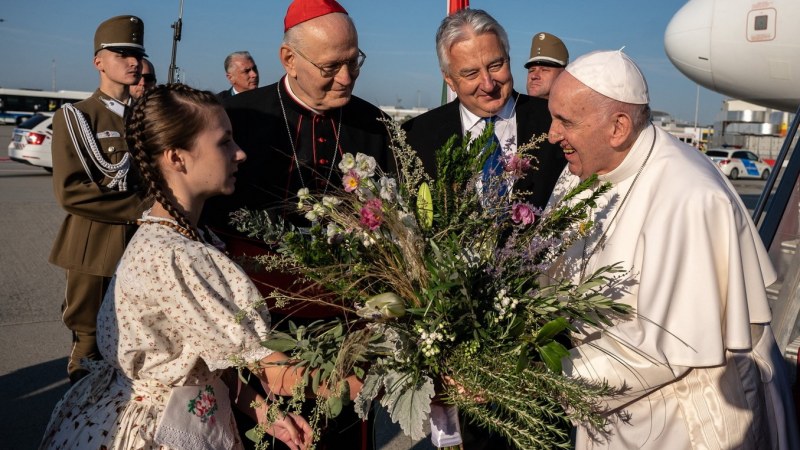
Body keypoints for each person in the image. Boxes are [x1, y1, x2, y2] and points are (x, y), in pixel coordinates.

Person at [39, 83, 369, 450]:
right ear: (177, 158)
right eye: (224, 142)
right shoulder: (179, 257)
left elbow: (209, 358)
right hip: (158, 431)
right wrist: (391, 381)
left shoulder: (180, 235)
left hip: (175, 415)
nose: (240, 153)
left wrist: (264, 413)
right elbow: (281, 376)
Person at [546, 49, 799, 449]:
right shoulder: (583, 168)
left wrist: (534, 374)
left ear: (618, 127)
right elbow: (549, 264)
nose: (552, 134)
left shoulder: (689, 198)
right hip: (611, 406)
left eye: (565, 121)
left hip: (687, 420)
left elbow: (665, 347)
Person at [204, 0, 392, 233]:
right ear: (289, 60)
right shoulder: (235, 117)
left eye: (353, 62)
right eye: (330, 66)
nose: (346, 78)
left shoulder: (379, 127)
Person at [49, 15, 147, 385]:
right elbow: (71, 191)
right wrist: (143, 208)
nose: (132, 61)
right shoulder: (77, 117)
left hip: (142, 246)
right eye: (121, 53)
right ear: (99, 62)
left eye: (137, 53)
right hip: (95, 246)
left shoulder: (145, 118)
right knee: (88, 349)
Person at [402, 8, 565, 211]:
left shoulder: (556, 121)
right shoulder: (415, 137)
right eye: (471, 73)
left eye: (495, 65)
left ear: (508, 58)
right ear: (449, 79)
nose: (488, 84)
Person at [524, 32, 568, 99]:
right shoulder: (514, 107)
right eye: (531, 70)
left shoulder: (575, 109)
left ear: (562, 74)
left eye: (544, 70)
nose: (534, 76)